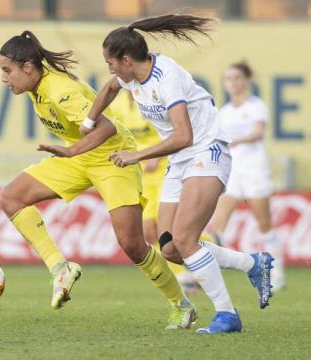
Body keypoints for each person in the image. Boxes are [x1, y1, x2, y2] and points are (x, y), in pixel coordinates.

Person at [84, 14, 275, 333]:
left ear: (127, 59)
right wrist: (89, 122)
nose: (110, 69)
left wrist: (137, 155)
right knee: (171, 248)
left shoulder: (166, 77)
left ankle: (227, 315)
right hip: (180, 158)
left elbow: (184, 135)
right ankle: (253, 263)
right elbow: (107, 88)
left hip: (206, 150)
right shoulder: (130, 76)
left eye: (111, 62)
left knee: (185, 239)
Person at [0, 31, 196, 330]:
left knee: (132, 244)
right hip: (79, 158)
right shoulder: (36, 84)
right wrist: (72, 152)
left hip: (112, 157)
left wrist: (70, 150)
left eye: (7, 71)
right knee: (11, 197)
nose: (4, 78)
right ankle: (60, 269)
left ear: (28, 67)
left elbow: (107, 129)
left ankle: (181, 305)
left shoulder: (59, 90)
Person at [112, 90, 198, 292]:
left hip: (164, 169)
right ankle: (204, 246)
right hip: (141, 172)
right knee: (149, 231)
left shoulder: (153, 100)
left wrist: (156, 156)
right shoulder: (118, 104)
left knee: (164, 225)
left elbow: (173, 131)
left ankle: (182, 274)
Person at [210, 61, 285, 290]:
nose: (232, 83)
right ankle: (208, 274)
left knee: (264, 224)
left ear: (246, 81)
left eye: (237, 78)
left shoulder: (256, 106)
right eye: (229, 79)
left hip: (254, 170)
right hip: (232, 172)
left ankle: (277, 274)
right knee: (217, 225)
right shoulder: (224, 112)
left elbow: (257, 133)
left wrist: (234, 141)